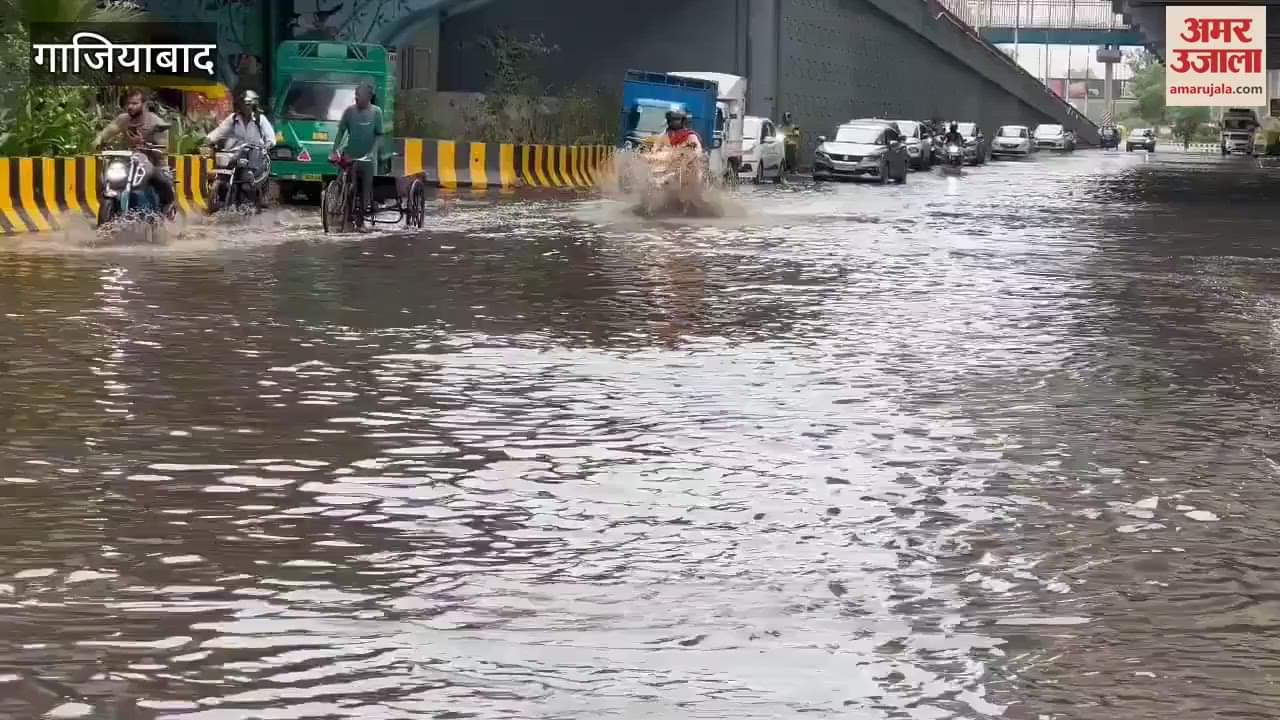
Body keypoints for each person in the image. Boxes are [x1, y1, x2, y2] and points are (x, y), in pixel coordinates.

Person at [94, 88, 176, 219]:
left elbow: (163, 150)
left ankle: (167, 206)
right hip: (129, 161)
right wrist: (99, 140)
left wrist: (145, 144)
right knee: (105, 177)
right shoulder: (123, 119)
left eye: (135, 103)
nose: (130, 107)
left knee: (161, 178)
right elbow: (109, 131)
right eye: (129, 103)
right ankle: (110, 206)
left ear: (144, 104)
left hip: (153, 162)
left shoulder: (156, 122)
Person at [329, 81, 384, 229]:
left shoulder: (376, 112)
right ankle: (342, 209)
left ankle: (361, 220)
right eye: (356, 96)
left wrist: (372, 153)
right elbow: (341, 132)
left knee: (366, 187)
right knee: (344, 181)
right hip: (350, 155)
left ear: (369, 97)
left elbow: (379, 135)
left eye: (360, 96)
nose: (357, 99)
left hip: (367, 159)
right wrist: (334, 151)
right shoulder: (349, 111)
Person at [202, 89, 276, 152]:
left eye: (249, 104)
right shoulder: (233, 118)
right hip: (237, 156)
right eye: (244, 103)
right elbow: (218, 132)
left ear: (254, 105)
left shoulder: (260, 119)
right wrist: (205, 141)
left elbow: (271, 139)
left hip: (256, 156)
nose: (246, 107)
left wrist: (265, 147)